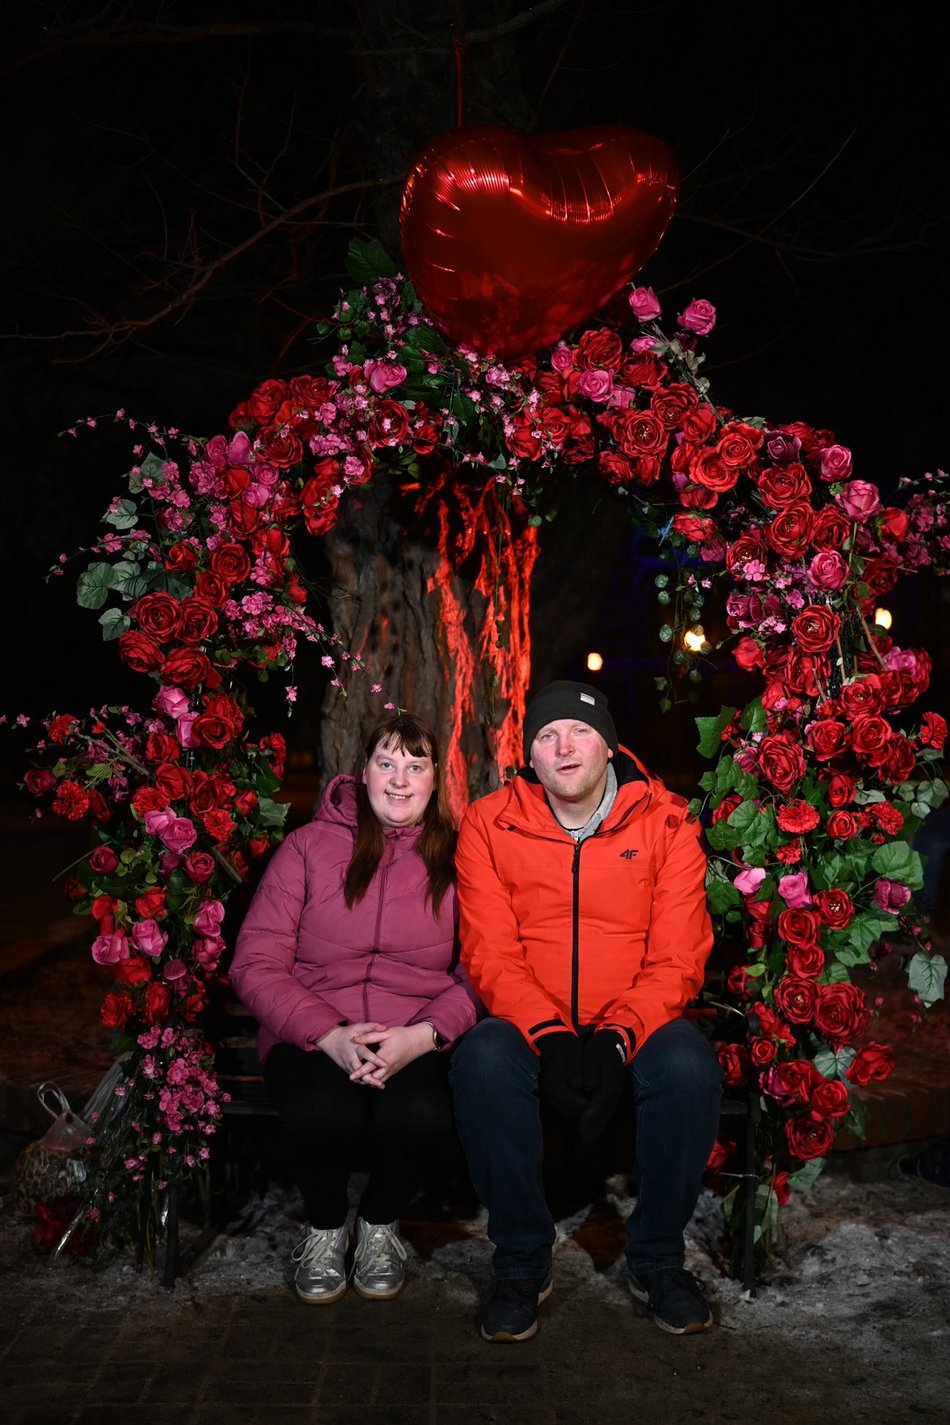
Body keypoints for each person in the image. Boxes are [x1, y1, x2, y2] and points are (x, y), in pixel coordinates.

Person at [450, 680, 723, 1342]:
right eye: (546, 735)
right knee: (482, 1057)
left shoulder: (667, 823)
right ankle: (520, 1258)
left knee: (689, 1064)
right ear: (530, 758)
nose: (563, 746)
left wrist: (615, 1040)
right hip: (531, 1023)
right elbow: (490, 952)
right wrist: (549, 1034)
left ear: (608, 743)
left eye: (578, 731)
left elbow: (678, 956)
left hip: (634, 1024)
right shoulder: (490, 822)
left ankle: (656, 1257)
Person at [229, 711, 480, 1306]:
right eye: (386, 764)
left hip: (413, 1031)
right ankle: (323, 1228)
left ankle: (379, 1223)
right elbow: (256, 963)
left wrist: (422, 1036)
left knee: (419, 1114)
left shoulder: (460, 859)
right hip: (313, 1028)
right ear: (362, 772)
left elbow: (481, 972)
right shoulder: (309, 849)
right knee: (322, 1107)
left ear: (435, 779)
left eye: (415, 767)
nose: (399, 780)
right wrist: (328, 1035)